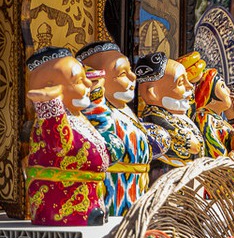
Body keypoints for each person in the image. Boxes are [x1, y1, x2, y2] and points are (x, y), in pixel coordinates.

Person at [77, 41, 169, 216]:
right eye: (122, 73)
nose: (133, 77)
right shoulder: (96, 111)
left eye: (130, 71)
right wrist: (95, 92)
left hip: (136, 195)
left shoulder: (126, 112)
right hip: (112, 196)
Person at [25, 47, 109, 226]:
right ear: (51, 88)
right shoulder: (52, 119)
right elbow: (59, 145)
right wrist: (49, 103)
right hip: (63, 206)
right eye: (79, 80)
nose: (88, 84)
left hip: (90, 199)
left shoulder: (77, 118)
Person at [135, 52, 203, 183]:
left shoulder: (177, 115)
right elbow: (193, 146)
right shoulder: (154, 117)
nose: (190, 86)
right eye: (181, 82)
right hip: (167, 183)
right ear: (153, 93)